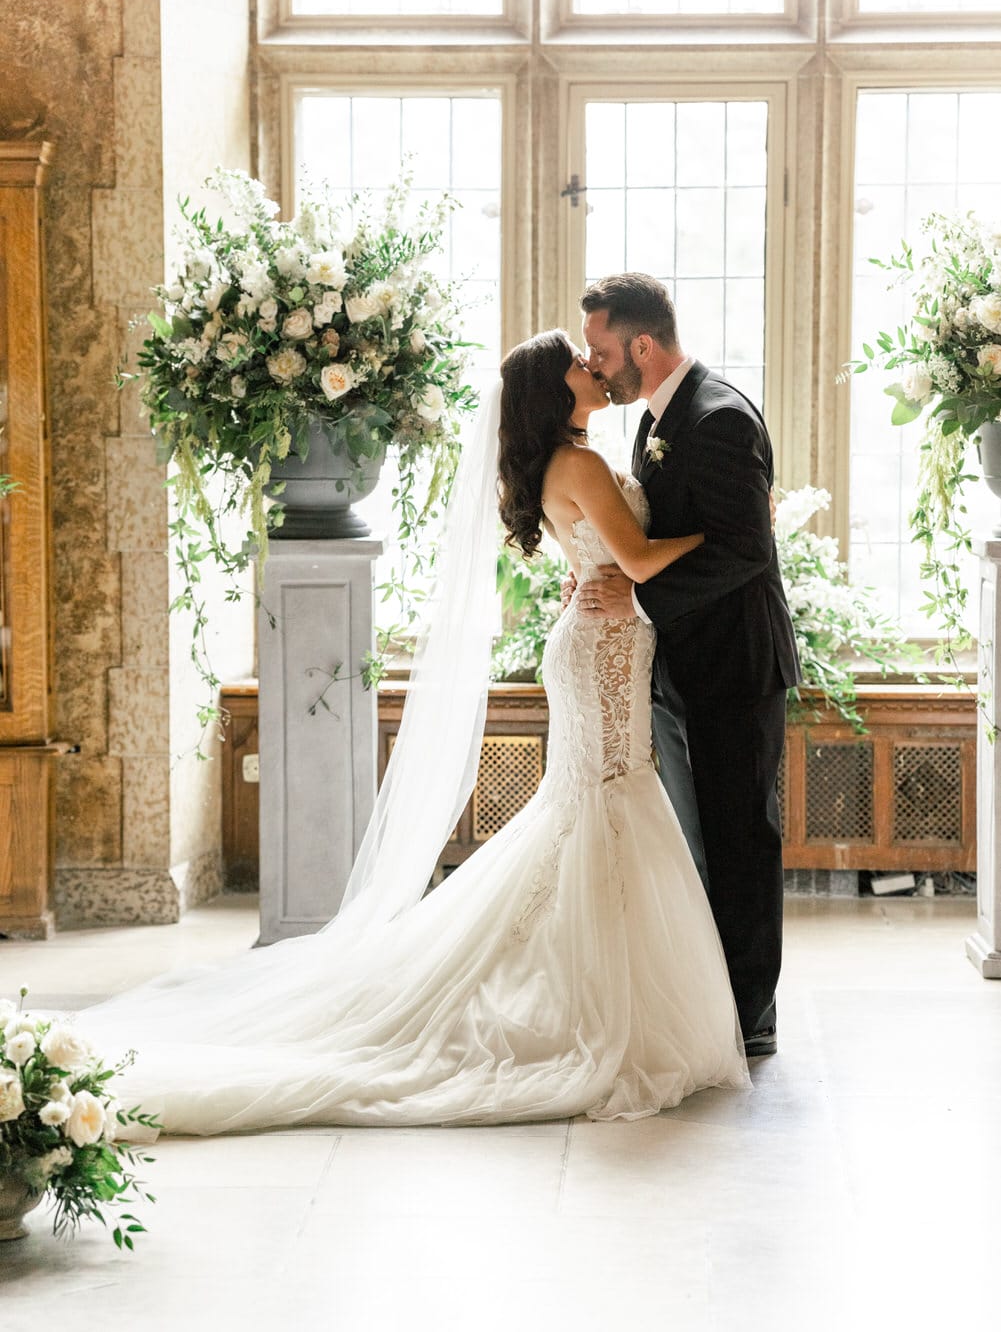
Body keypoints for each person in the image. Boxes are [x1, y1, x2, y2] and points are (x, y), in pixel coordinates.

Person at [76, 330, 748, 1135]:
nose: (594, 370)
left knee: (594, 802)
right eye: (580, 364)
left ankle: (596, 991)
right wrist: (735, 536)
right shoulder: (578, 465)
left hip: (603, 641)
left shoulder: (576, 462)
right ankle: (593, 1005)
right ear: (551, 390)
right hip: (600, 652)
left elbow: (609, 556)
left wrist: (612, 567)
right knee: (603, 797)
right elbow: (637, 561)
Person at [575, 274, 801, 1058]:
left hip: (735, 664)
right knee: (701, 836)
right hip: (685, 660)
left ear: (643, 344)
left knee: (741, 837)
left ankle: (749, 1017)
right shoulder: (655, 420)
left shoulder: (719, 418)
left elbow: (745, 549)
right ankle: (712, 1000)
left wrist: (635, 602)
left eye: (603, 350)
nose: (595, 366)